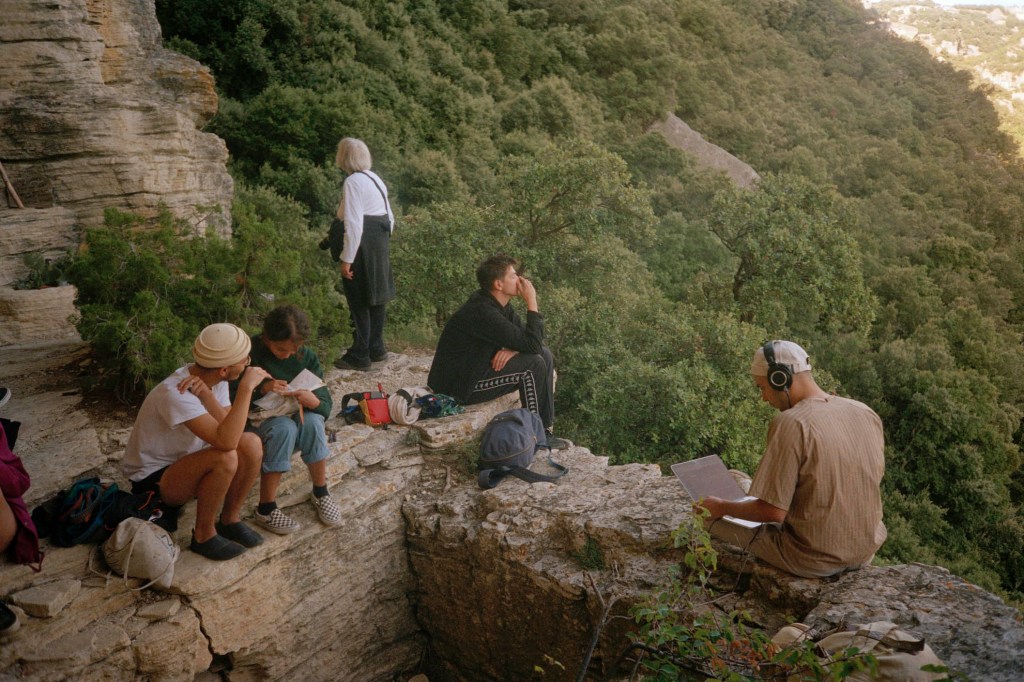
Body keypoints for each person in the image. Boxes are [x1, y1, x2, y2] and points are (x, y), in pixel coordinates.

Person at [695, 340, 887, 578]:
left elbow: (773, 513)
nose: (764, 398)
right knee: (736, 478)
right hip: (865, 551)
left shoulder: (792, 422)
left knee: (702, 516)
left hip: (812, 558)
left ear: (780, 379)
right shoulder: (864, 411)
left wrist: (721, 507)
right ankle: (741, 491)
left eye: (762, 388)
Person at [122, 324, 270, 561]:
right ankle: (203, 534)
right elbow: (227, 441)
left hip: (188, 463)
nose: (247, 365)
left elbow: (231, 427)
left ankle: (229, 519)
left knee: (251, 443)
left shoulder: (211, 380)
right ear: (223, 369)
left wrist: (209, 398)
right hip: (155, 479)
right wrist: (246, 389)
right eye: (245, 360)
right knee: (226, 456)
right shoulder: (176, 393)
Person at [427, 254, 570, 449]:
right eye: (513, 276)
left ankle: (545, 430)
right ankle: (536, 436)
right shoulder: (482, 312)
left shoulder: (500, 305)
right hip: (459, 386)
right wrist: (532, 302)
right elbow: (530, 345)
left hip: (476, 368)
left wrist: (513, 350)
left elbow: (531, 343)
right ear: (498, 285)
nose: (520, 280)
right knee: (533, 365)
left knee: (544, 354)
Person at [235, 305, 341, 534]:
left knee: (313, 422)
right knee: (284, 428)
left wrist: (312, 401)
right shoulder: (249, 354)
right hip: (259, 422)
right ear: (266, 338)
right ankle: (266, 507)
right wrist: (262, 388)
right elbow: (230, 394)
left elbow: (325, 403)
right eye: (281, 349)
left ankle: (321, 491)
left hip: (296, 413)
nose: (287, 355)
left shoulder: (305, 357)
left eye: (293, 350)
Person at [330, 137, 396, 371]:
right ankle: (376, 348)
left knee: (358, 300)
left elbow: (354, 223)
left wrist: (347, 258)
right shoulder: (374, 178)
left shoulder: (353, 181)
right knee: (376, 298)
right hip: (378, 242)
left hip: (362, 245)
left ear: (343, 157)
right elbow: (390, 217)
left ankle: (360, 354)